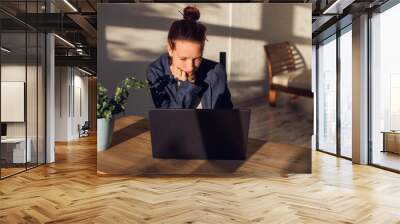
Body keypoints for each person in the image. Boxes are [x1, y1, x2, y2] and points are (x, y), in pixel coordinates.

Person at [146, 6, 233, 109]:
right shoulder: (156, 72)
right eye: (183, 59)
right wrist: (186, 85)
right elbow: (170, 120)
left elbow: (227, 115)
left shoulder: (216, 72)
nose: (190, 67)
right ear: (170, 48)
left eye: (197, 59)